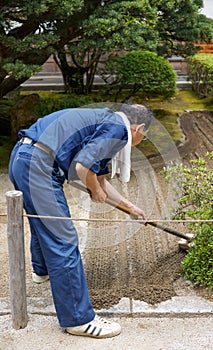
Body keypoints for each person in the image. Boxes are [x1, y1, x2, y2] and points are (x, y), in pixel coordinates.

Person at [8, 103, 153, 338]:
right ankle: (79, 319)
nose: (140, 142)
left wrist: (131, 208)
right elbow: (84, 168)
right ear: (139, 128)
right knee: (64, 238)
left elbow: (100, 181)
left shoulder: (105, 122)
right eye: (144, 138)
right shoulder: (117, 129)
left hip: (23, 157)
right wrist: (94, 190)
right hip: (39, 165)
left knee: (43, 220)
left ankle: (42, 271)